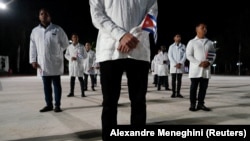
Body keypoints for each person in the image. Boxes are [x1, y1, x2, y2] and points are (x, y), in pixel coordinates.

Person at [89, 0, 158, 140]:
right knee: (109, 102)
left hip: (138, 49)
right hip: (110, 49)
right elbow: (97, 14)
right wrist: (120, 35)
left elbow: (152, 15)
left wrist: (134, 36)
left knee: (139, 101)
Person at [29, 8, 69, 112]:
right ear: (39, 16)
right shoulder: (35, 31)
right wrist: (33, 60)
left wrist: (57, 52)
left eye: (46, 14)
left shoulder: (57, 29)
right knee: (46, 86)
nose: (44, 15)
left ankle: (57, 105)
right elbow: (32, 47)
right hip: (42, 63)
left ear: (49, 16)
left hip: (55, 62)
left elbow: (65, 44)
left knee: (56, 84)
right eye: (41, 14)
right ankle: (49, 104)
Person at [186, 23, 216, 112]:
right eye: (202, 27)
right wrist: (199, 63)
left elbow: (213, 54)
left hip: (206, 69)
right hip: (195, 69)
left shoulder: (209, 42)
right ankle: (192, 104)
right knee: (193, 88)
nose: (204, 29)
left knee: (203, 88)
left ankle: (200, 104)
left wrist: (209, 62)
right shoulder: (192, 42)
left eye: (206, 28)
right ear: (197, 30)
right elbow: (188, 55)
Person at [64, 33, 87, 97]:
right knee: (72, 79)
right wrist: (70, 58)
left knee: (81, 79)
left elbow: (85, 56)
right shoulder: (69, 47)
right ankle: (71, 92)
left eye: (76, 37)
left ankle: (83, 93)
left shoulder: (82, 46)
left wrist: (79, 56)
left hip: (79, 64)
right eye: (74, 37)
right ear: (72, 38)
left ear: (78, 38)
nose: (75, 38)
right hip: (72, 64)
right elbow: (66, 55)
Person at [168, 34, 186, 98]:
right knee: (173, 80)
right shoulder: (171, 47)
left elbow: (185, 56)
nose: (178, 38)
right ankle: (173, 93)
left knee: (179, 80)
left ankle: (178, 93)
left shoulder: (183, 46)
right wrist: (175, 63)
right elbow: (170, 56)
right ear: (174, 38)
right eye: (177, 36)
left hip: (180, 66)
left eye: (179, 37)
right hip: (174, 66)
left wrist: (180, 63)